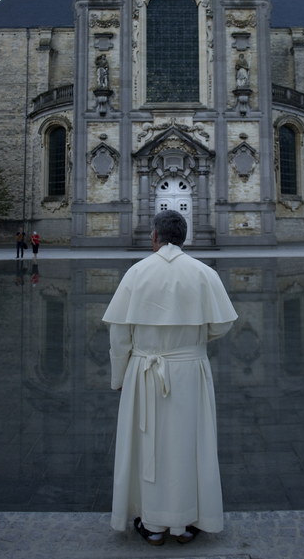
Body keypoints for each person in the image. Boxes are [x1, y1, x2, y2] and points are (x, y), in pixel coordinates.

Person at [102, 210, 237, 546]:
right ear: (184, 237)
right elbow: (222, 324)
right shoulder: (203, 273)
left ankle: (152, 523)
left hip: (143, 372)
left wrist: (119, 376)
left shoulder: (136, 272)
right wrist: (194, 342)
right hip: (190, 370)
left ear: (154, 236)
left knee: (148, 445)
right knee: (189, 444)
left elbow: (119, 334)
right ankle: (186, 523)